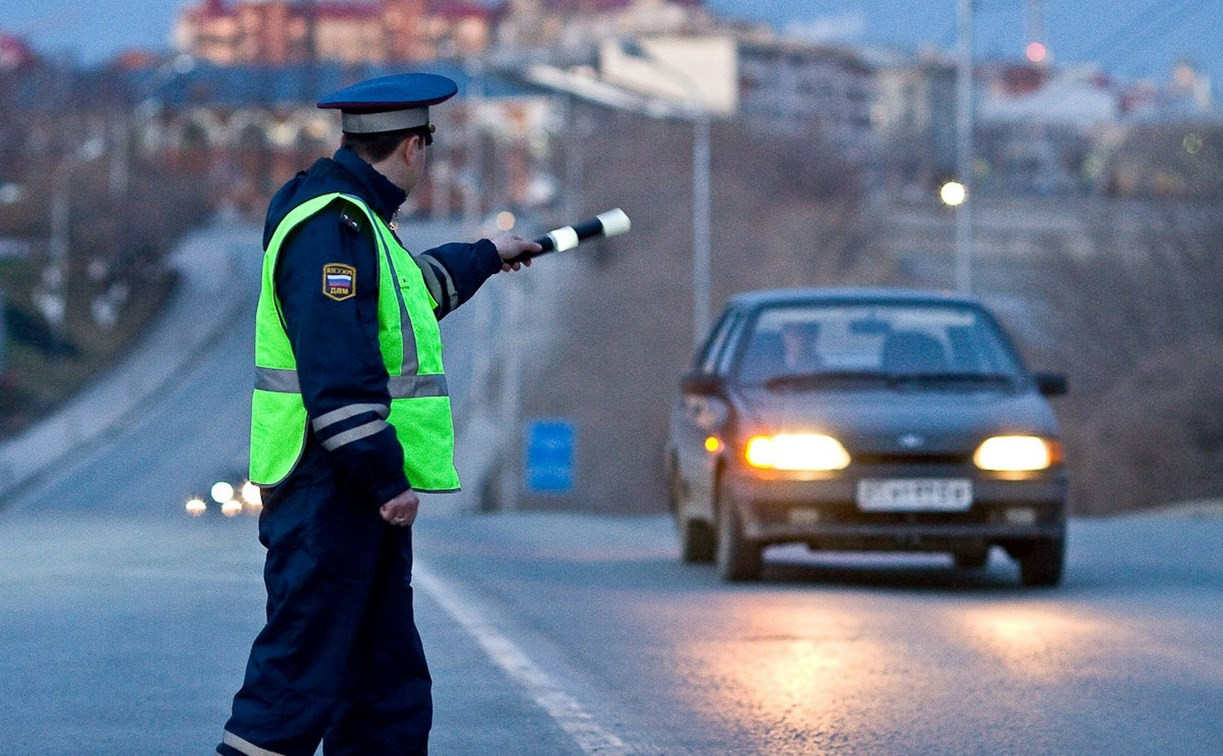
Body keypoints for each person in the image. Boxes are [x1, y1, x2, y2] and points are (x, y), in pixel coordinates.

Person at [218, 72, 540, 756]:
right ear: (414, 146)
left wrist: (486, 256)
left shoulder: (358, 223)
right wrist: (385, 481)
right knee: (295, 687)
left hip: (347, 498)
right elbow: (338, 372)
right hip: (328, 490)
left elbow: (406, 298)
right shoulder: (331, 228)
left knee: (384, 694)